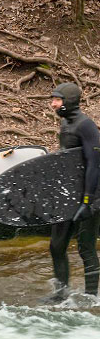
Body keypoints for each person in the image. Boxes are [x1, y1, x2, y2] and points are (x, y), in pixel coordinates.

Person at [48, 82, 100, 299]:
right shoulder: (65, 124)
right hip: (68, 196)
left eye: (57, 100)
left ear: (68, 101)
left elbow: (94, 164)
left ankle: (91, 298)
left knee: (85, 247)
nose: (53, 104)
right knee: (56, 246)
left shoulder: (86, 126)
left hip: (91, 196)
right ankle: (61, 294)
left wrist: (87, 201)